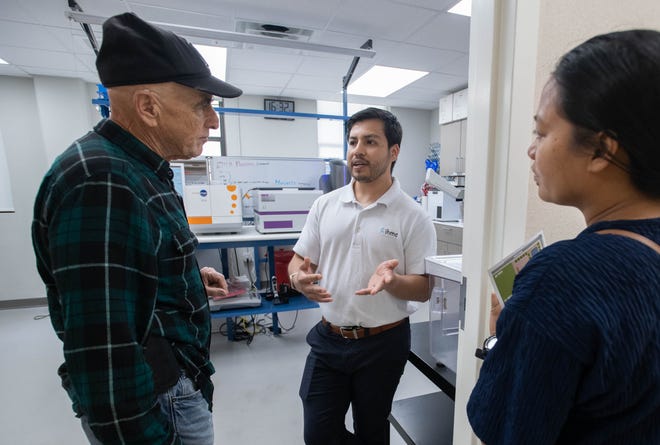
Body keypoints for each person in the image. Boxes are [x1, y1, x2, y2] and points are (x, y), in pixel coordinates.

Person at [31, 13, 242, 444]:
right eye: (202, 104)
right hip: (158, 402)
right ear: (148, 106)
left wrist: (180, 276)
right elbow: (104, 355)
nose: (214, 121)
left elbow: (122, 277)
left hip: (173, 381)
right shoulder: (102, 181)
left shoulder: (138, 169)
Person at [467, 29, 660, 444]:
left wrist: (505, 340)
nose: (531, 150)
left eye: (540, 131)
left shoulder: (562, 278)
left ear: (601, 151)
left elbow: (503, 427)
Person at [288, 107, 436, 444]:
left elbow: (425, 287)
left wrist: (393, 282)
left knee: (372, 429)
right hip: (328, 338)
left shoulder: (413, 217)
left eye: (370, 141)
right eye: (353, 141)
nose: (358, 150)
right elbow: (298, 262)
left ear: (393, 151)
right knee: (319, 433)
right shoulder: (325, 206)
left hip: (383, 343)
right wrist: (298, 278)